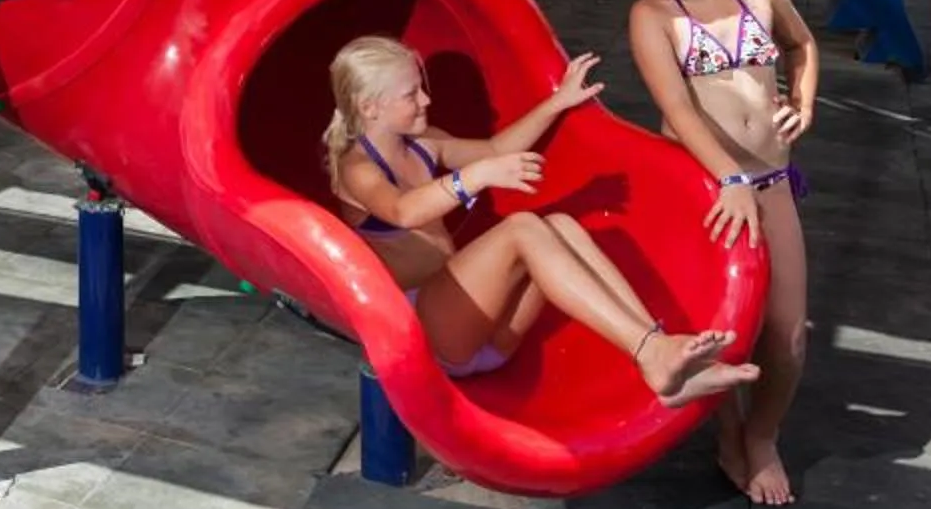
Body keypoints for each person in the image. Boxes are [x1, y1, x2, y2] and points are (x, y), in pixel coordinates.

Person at [324, 35, 758, 412]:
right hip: (429, 335)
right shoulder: (357, 168)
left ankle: (655, 350)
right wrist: (473, 178)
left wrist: (558, 101)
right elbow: (404, 211)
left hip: (487, 334)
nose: (426, 100)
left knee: (562, 225)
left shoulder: (425, 142)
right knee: (522, 228)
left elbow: (495, 148)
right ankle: (651, 352)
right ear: (370, 106)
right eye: (412, 94)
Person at [625, 0, 817, 507]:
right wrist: (729, 180)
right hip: (703, 190)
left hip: (771, 181)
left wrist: (804, 104)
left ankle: (762, 435)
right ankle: (730, 432)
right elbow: (677, 110)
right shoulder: (653, 17)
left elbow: (802, 45)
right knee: (721, 332)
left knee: (787, 337)